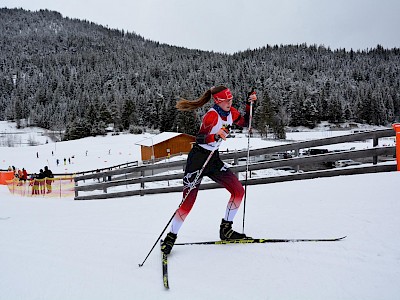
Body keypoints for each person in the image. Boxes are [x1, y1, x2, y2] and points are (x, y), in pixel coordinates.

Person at [161, 85, 257, 255]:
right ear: (217, 101)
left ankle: (226, 230)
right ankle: (170, 237)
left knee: (238, 191)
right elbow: (199, 138)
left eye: (231, 99)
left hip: (213, 160)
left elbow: (245, 122)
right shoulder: (211, 116)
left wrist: (250, 104)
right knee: (188, 202)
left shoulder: (231, 112)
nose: (229, 102)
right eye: (226, 100)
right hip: (197, 160)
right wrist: (216, 135)